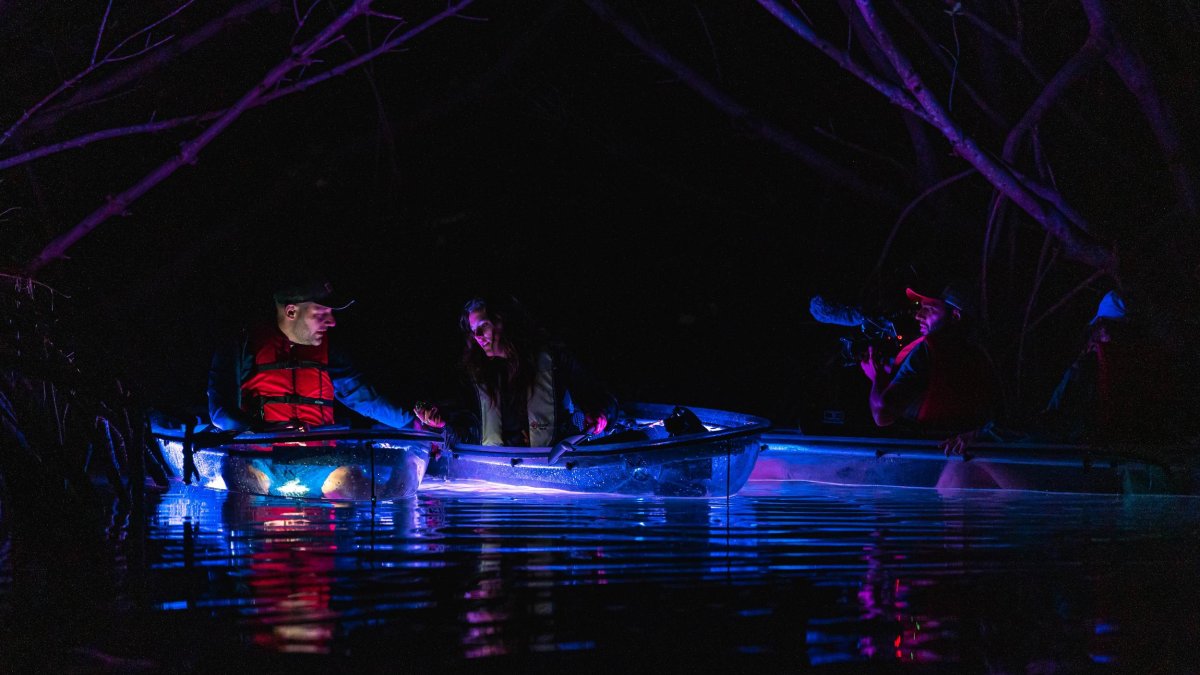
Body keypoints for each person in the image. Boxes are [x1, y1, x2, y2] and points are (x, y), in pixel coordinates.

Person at [206, 276, 416, 497]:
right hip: (260, 459)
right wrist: (263, 429)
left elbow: (362, 397)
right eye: (321, 313)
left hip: (321, 461)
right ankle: (255, 524)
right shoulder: (242, 344)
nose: (332, 321)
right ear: (291, 312)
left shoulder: (330, 349)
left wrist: (413, 424)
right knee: (235, 471)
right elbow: (220, 412)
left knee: (355, 482)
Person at [414, 295, 617, 447]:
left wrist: (601, 414)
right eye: (473, 330)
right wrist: (440, 425)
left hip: (554, 464)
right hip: (497, 474)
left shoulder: (555, 357)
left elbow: (603, 398)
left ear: (503, 322)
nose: (476, 336)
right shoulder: (474, 376)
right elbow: (467, 433)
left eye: (483, 326)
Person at [859, 281, 998, 434]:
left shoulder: (927, 350)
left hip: (919, 446)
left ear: (955, 315)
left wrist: (876, 377)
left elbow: (882, 415)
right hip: (951, 446)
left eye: (928, 309)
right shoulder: (981, 355)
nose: (918, 315)